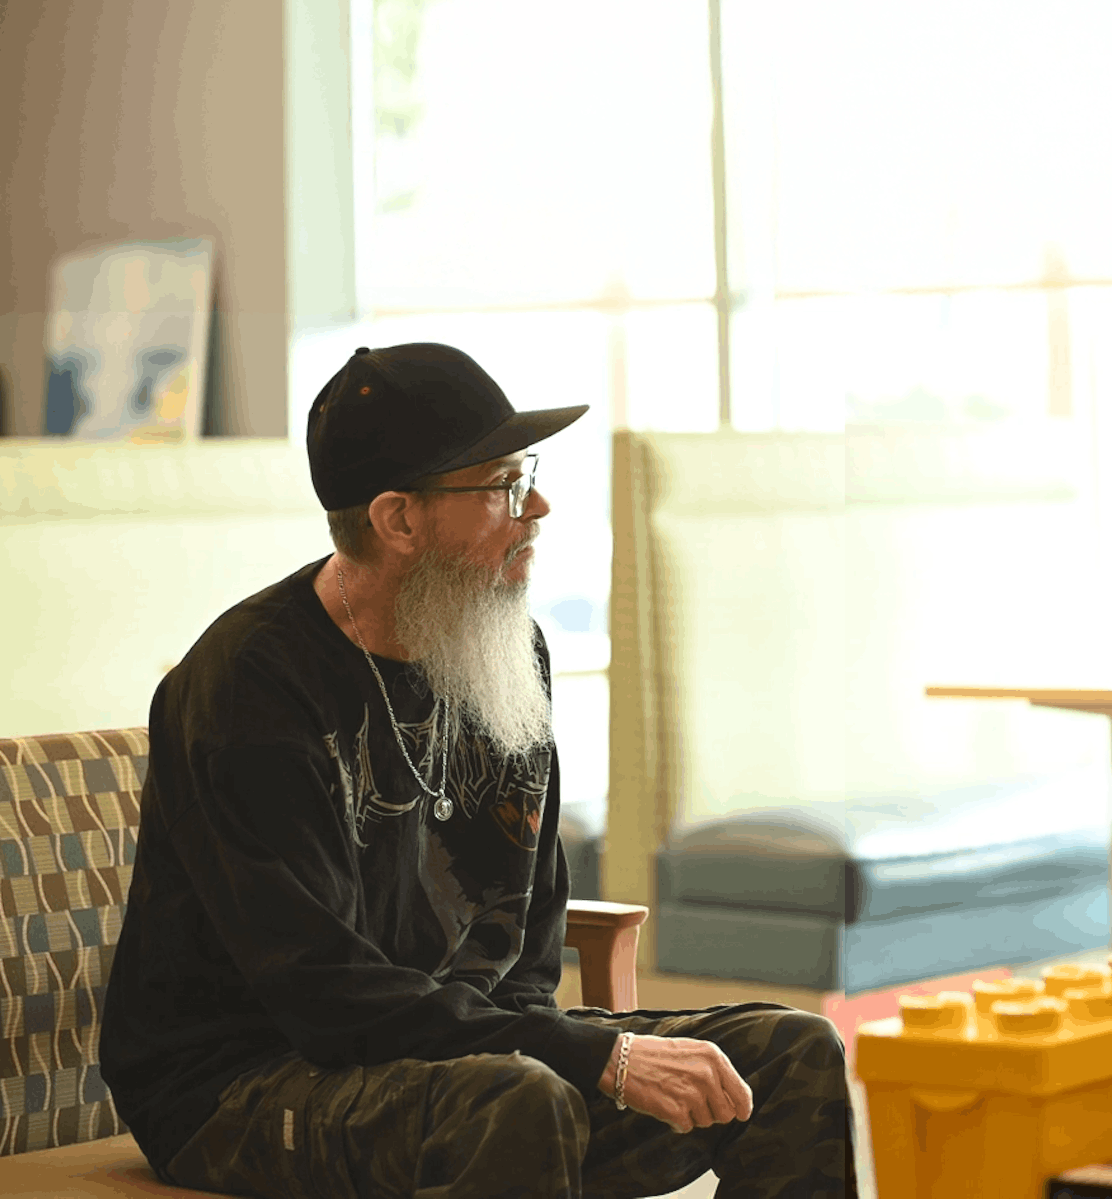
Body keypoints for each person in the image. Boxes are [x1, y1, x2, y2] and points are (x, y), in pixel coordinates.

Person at [100, 343, 857, 1199]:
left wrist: (550, 1041)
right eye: (502, 484)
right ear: (400, 520)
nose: (537, 504)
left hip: (469, 1061)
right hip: (242, 1082)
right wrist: (583, 1053)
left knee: (793, 1052)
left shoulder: (503, 646)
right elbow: (318, 990)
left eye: (526, 473)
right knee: (518, 1098)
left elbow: (527, 928)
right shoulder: (249, 687)